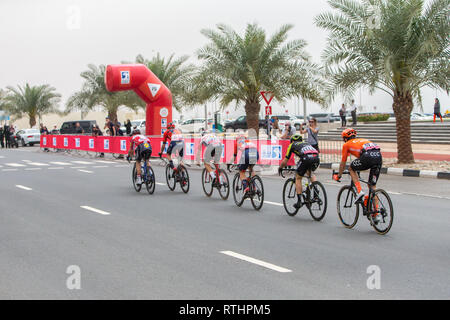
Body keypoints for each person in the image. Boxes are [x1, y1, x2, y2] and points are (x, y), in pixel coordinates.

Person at [333, 128, 383, 223]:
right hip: (378, 157)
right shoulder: (363, 140)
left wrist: (339, 175)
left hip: (367, 157)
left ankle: (359, 191)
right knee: (372, 186)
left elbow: (343, 163)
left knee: (351, 168)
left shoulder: (346, 144)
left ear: (344, 138)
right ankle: (377, 214)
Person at [278, 134, 320, 209]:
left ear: (292, 141)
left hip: (306, 158)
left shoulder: (292, 145)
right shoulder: (306, 143)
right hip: (316, 157)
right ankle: (316, 191)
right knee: (310, 173)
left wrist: (280, 167)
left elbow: (285, 160)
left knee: (298, 177)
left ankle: (299, 201)